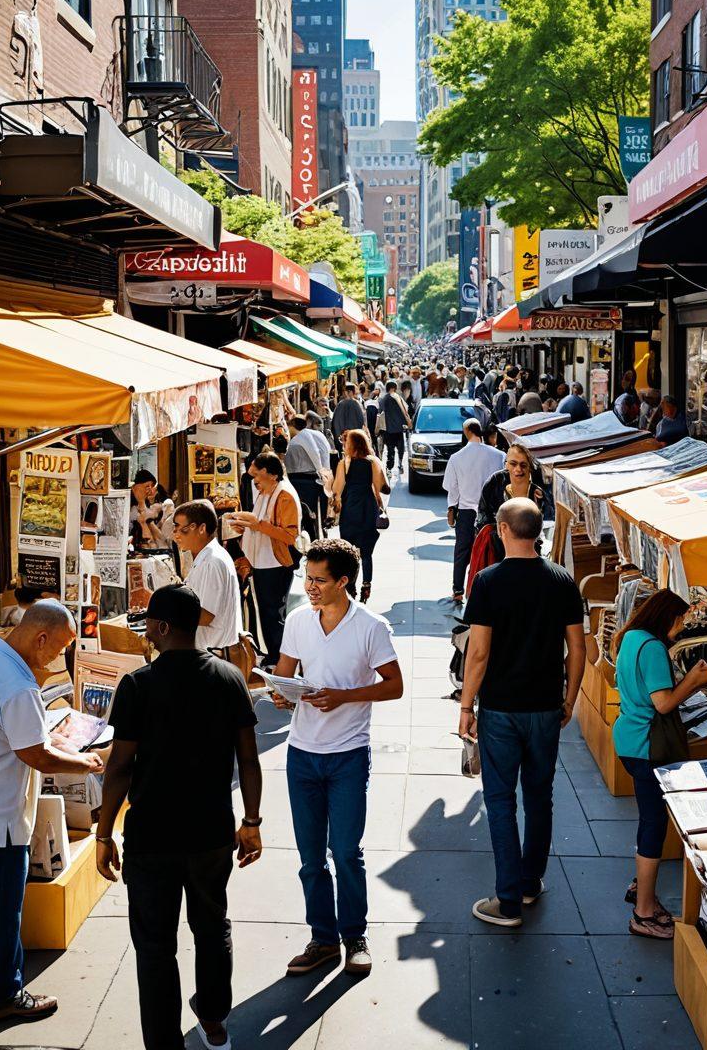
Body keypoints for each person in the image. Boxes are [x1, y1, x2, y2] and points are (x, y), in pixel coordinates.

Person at [97, 585, 262, 1050]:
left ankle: (164, 1042)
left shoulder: (137, 685)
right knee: (212, 929)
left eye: (148, 622)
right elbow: (248, 760)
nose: (145, 630)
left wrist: (104, 834)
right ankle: (213, 1022)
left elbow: (120, 768)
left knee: (154, 948)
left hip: (151, 838)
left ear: (163, 627)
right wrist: (251, 821)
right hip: (211, 833)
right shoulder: (229, 677)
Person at [270, 540, 403, 977]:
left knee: (345, 851)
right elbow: (285, 675)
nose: (309, 587)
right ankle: (322, 939)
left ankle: (355, 936)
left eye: (319, 580)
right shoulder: (298, 621)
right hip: (302, 754)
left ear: (343, 581)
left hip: (348, 754)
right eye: (306, 579)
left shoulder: (371, 626)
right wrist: (282, 694)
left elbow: (394, 685)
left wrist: (345, 696)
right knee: (310, 858)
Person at [459, 499, 586, 927]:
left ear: (501, 529)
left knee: (499, 800)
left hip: (500, 707)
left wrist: (465, 705)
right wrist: (570, 698)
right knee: (539, 797)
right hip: (546, 706)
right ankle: (530, 883)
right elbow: (578, 647)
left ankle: (508, 899)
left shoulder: (488, 581)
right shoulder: (562, 580)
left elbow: (478, 653)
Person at [0, 602, 104, 1023]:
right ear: (40, 638)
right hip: (4, 819)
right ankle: (7, 991)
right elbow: (37, 755)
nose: (57, 659)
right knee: (6, 910)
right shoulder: (19, 687)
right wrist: (87, 762)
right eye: (58, 650)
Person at [612, 590, 707, 939]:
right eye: (680, 620)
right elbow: (664, 703)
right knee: (653, 825)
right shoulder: (653, 647)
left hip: (629, 739)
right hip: (647, 746)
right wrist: (695, 682)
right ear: (666, 616)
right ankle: (643, 913)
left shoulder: (630, 638)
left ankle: (642, 887)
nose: (681, 627)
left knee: (650, 820)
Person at [229, 454, 300, 665]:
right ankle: (274, 656)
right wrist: (244, 527)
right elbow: (260, 526)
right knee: (267, 613)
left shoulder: (284, 495)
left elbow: (289, 535)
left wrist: (256, 524)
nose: (254, 481)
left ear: (272, 474)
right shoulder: (266, 492)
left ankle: (280, 660)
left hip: (275, 564)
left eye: (257, 475)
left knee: (273, 614)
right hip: (263, 562)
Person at [443, 420, 505, 603]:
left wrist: (451, 509)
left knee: (462, 551)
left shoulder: (456, 457)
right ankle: (489, 588)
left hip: (466, 510)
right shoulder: (498, 455)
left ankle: (458, 590)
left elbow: (452, 488)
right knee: (492, 550)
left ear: (466, 431)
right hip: (492, 513)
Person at [173, 500, 242, 652]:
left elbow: (206, 616)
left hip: (213, 654)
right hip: (208, 652)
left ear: (202, 528)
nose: (176, 535)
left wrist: (168, 612)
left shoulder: (212, 561)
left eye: (181, 529)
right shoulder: (206, 557)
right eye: (174, 529)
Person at [332, 429, 387, 604]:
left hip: (350, 510)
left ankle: (351, 586)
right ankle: (366, 584)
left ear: (352, 445)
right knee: (367, 552)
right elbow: (380, 488)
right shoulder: (372, 462)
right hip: (368, 509)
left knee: (349, 550)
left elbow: (336, 489)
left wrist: (335, 501)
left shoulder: (344, 464)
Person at [476, 443, 548, 560]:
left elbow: (548, 518)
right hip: (499, 550)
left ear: (530, 466)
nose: (518, 469)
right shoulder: (495, 481)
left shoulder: (540, 485)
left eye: (523, 465)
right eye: (513, 464)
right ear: (506, 465)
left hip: (531, 551)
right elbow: (483, 517)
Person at [378, 379, 411, 477]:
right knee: (400, 448)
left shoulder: (383, 399)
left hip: (388, 430)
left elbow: (380, 413)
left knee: (390, 450)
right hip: (399, 429)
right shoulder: (398, 398)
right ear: (394, 388)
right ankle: (400, 464)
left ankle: (389, 469)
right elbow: (405, 411)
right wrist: (406, 423)